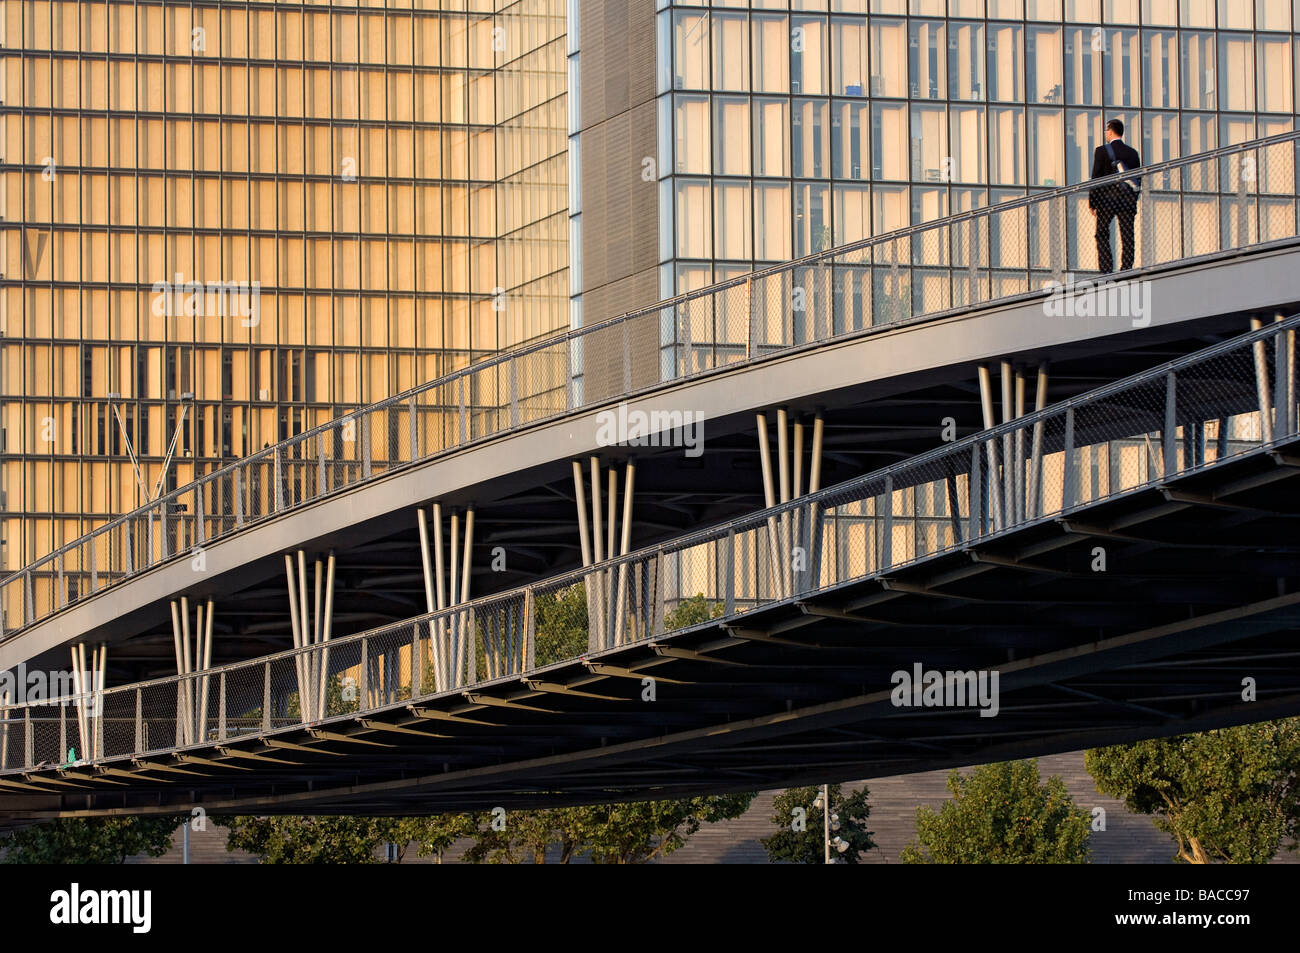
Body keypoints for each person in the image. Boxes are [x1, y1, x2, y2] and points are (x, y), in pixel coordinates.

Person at [1088, 119, 1142, 274]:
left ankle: (1106, 268)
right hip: (1126, 200)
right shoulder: (1132, 153)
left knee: (1102, 232)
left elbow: (1096, 177)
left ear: (1110, 131)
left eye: (1106, 130)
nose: (1106, 133)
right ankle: (1126, 267)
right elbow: (1138, 179)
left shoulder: (1101, 151)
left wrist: (1093, 201)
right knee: (1127, 234)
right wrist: (1133, 198)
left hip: (1107, 200)